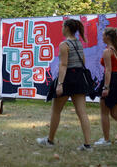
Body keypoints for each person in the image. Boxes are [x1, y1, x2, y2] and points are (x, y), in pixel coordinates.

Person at [37, 19, 93, 151]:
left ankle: (50, 140)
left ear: (67, 28)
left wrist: (60, 84)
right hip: (79, 78)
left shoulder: (64, 44)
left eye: (63, 26)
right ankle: (88, 144)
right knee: (82, 113)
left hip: (68, 78)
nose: (62, 28)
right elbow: (83, 61)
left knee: (56, 110)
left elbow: (63, 65)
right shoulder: (79, 43)